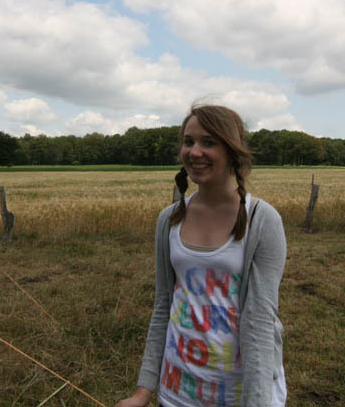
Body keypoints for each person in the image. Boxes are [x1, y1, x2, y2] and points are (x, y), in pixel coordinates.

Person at [116, 104, 287, 407]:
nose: (194, 152)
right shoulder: (169, 219)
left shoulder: (262, 220)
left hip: (238, 395)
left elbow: (260, 321)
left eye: (208, 142)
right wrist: (143, 390)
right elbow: (163, 306)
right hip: (176, 393)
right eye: (188, 141)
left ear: (232, 151)